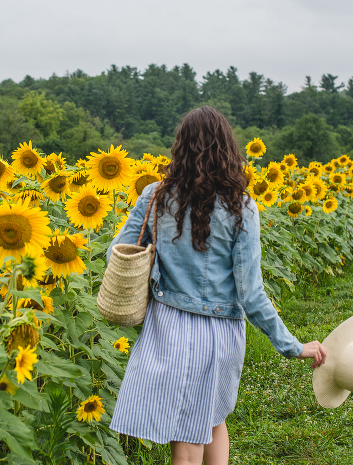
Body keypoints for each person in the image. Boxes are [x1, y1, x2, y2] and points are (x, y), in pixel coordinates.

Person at [107, 106, 327, 465]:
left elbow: (114, 254)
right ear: (228, 150)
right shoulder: (242, 208)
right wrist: (291, 346)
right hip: (222, 334)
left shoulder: (155, 196)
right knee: (211, 421)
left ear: (180, 148)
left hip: (169, 329)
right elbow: (251, 294)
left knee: (188, 439)